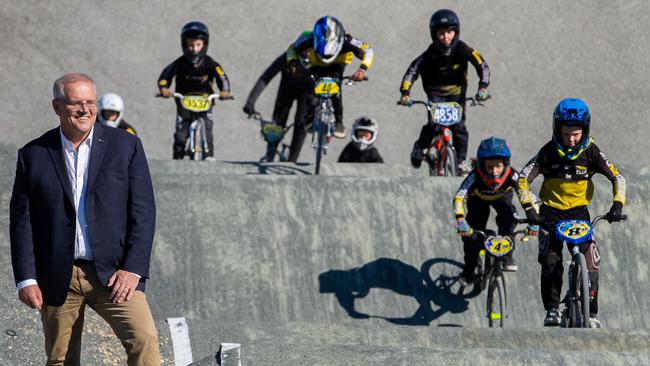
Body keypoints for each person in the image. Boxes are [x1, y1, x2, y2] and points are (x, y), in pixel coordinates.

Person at [10, 73, 160, 364]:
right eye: (76, 103)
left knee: (144, 341)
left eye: (90, 102)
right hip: (58, 277)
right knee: (60, 359)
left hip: (114, 274)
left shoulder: (126, 146)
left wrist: (132, 268)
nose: (85, 110)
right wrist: (26, 279)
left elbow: (143, 212)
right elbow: (22, 222)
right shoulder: (33, 155)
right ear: (57, 107)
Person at [517, 98, 626, 328]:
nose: (571, 139)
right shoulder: (547, 152)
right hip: (550, 213)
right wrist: (529, 208)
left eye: (576, 134)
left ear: (585, 131)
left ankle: (592, 314)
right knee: (551, 260)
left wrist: (617, 204)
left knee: (592, 261)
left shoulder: (592, 152)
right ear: (557, 129)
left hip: (579, 213)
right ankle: (552, 309)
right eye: (566, 133)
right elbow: (523, 179)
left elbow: (617, 176)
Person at [398, 9, 490, 174]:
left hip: (457, 94)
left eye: (449, 32)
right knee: (434, 125)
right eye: (441, 33)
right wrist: (405, 93)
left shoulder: (463, 49)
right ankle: (420, 147)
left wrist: (483, 87)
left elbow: (481, 65)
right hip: (435, 94)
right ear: (434, 35)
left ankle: (461, 161)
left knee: (459, 128)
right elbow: (412, 71)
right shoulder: (429, 54)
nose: (446, 37)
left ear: (456, 32)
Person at [453, 137, 535, 284]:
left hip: (502, 199)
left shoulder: (512, 174)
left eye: (498, 166)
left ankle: (507, 256)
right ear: (481, 164)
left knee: (509, 221)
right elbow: (459, 197)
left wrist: (534, 219)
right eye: (490, 167)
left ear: (505, 164)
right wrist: (460, 220)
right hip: (478, 201)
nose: (495, 172)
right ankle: (469, 270)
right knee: (471, 239)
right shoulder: (475, 176)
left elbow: (526, 194)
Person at [287, 15, 374, 139]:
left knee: (336, 90)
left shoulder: (348, 40)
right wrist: (293, 63)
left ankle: (339, 122)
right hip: (316, 63)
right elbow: (292, 49)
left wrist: (362, 69)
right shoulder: (309, 38)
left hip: (338, 64)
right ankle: (310, 117)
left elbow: (368, 50)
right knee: (312, 87)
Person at [158, 21, 231, 160]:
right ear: (184, 45)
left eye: (198, 45)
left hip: (205, 99)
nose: (194, 49)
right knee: (181, 133)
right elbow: (165, 76)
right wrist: (164, 88)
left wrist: (225, 91)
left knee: (207, 127)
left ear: (205, 44)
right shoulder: (179, 63)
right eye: (191, 45)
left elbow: (222, 77)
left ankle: (209, 156)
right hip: (184, 100)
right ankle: (177, 157)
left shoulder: (210, 63)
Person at [243, 31, 313, 162]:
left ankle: (293, 159)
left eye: (311, 51)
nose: (307, 54)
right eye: (304, 50)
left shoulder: (319, 62)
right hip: (287, 88)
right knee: (278, 120)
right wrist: (250, 102)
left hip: (307, 92)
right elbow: (266, 77)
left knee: (301, 123)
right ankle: (270, 154)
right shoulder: (287, 57)